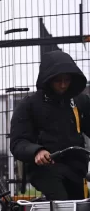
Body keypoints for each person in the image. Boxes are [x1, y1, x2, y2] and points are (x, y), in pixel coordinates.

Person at [10, 50, 90, 201]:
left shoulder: (80, 102)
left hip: (76, 169)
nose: (63, 85)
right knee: (63, 208)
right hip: (45, 169)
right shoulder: (29, 105)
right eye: (57, 80)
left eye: (67, 80)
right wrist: (37, 151)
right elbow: (18, 142)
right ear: (48, 79)